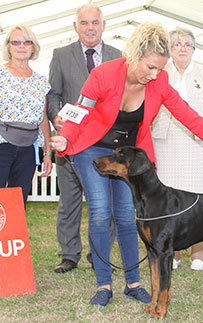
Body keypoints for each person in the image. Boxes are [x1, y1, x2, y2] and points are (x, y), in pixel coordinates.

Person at [50, 22, 203, 307]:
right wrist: (65, 138)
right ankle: (103, 285)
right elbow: (79, 110)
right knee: (100, 212)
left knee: (127, 216)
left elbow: (192, 119)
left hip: (130, 154)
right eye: (150, 67)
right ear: (133, 56)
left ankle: (134, 284)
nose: (156, 75)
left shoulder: (160, 83)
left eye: (160, 68)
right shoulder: (103, 74)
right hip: (93, 147)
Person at [47, 3, 122, 274]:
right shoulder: (60, 54)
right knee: (69, 202)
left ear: (104, 26)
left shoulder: (119, 56)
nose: (90, 28)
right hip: (70, 142)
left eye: (94, 23)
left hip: (106, 144)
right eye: (84, 23)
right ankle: (69, 254)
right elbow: (53, 94)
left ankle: (99, 254)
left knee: (107, 204)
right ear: (75, 27)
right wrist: (56, 117)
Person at [151, 27, 203, 271]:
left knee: (197, 200)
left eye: (187, 44)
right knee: (169, 201)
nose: (182, 48)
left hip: (198, 145)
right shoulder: (160, 73)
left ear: (193, 49)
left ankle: (197, 253)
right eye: (177, 44)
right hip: (165, 144)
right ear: (170, 49)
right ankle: (174, 253)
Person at [0, 25, 52, 206]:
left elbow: (43, 119)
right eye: (16, 42)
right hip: (2, 145)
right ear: (8, 47)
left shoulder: (41, 81)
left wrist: (47, 153)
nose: (21, 46)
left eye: (26, 42)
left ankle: (11, 236)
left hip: (28, 149)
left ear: (33, 47)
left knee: (17, 202)